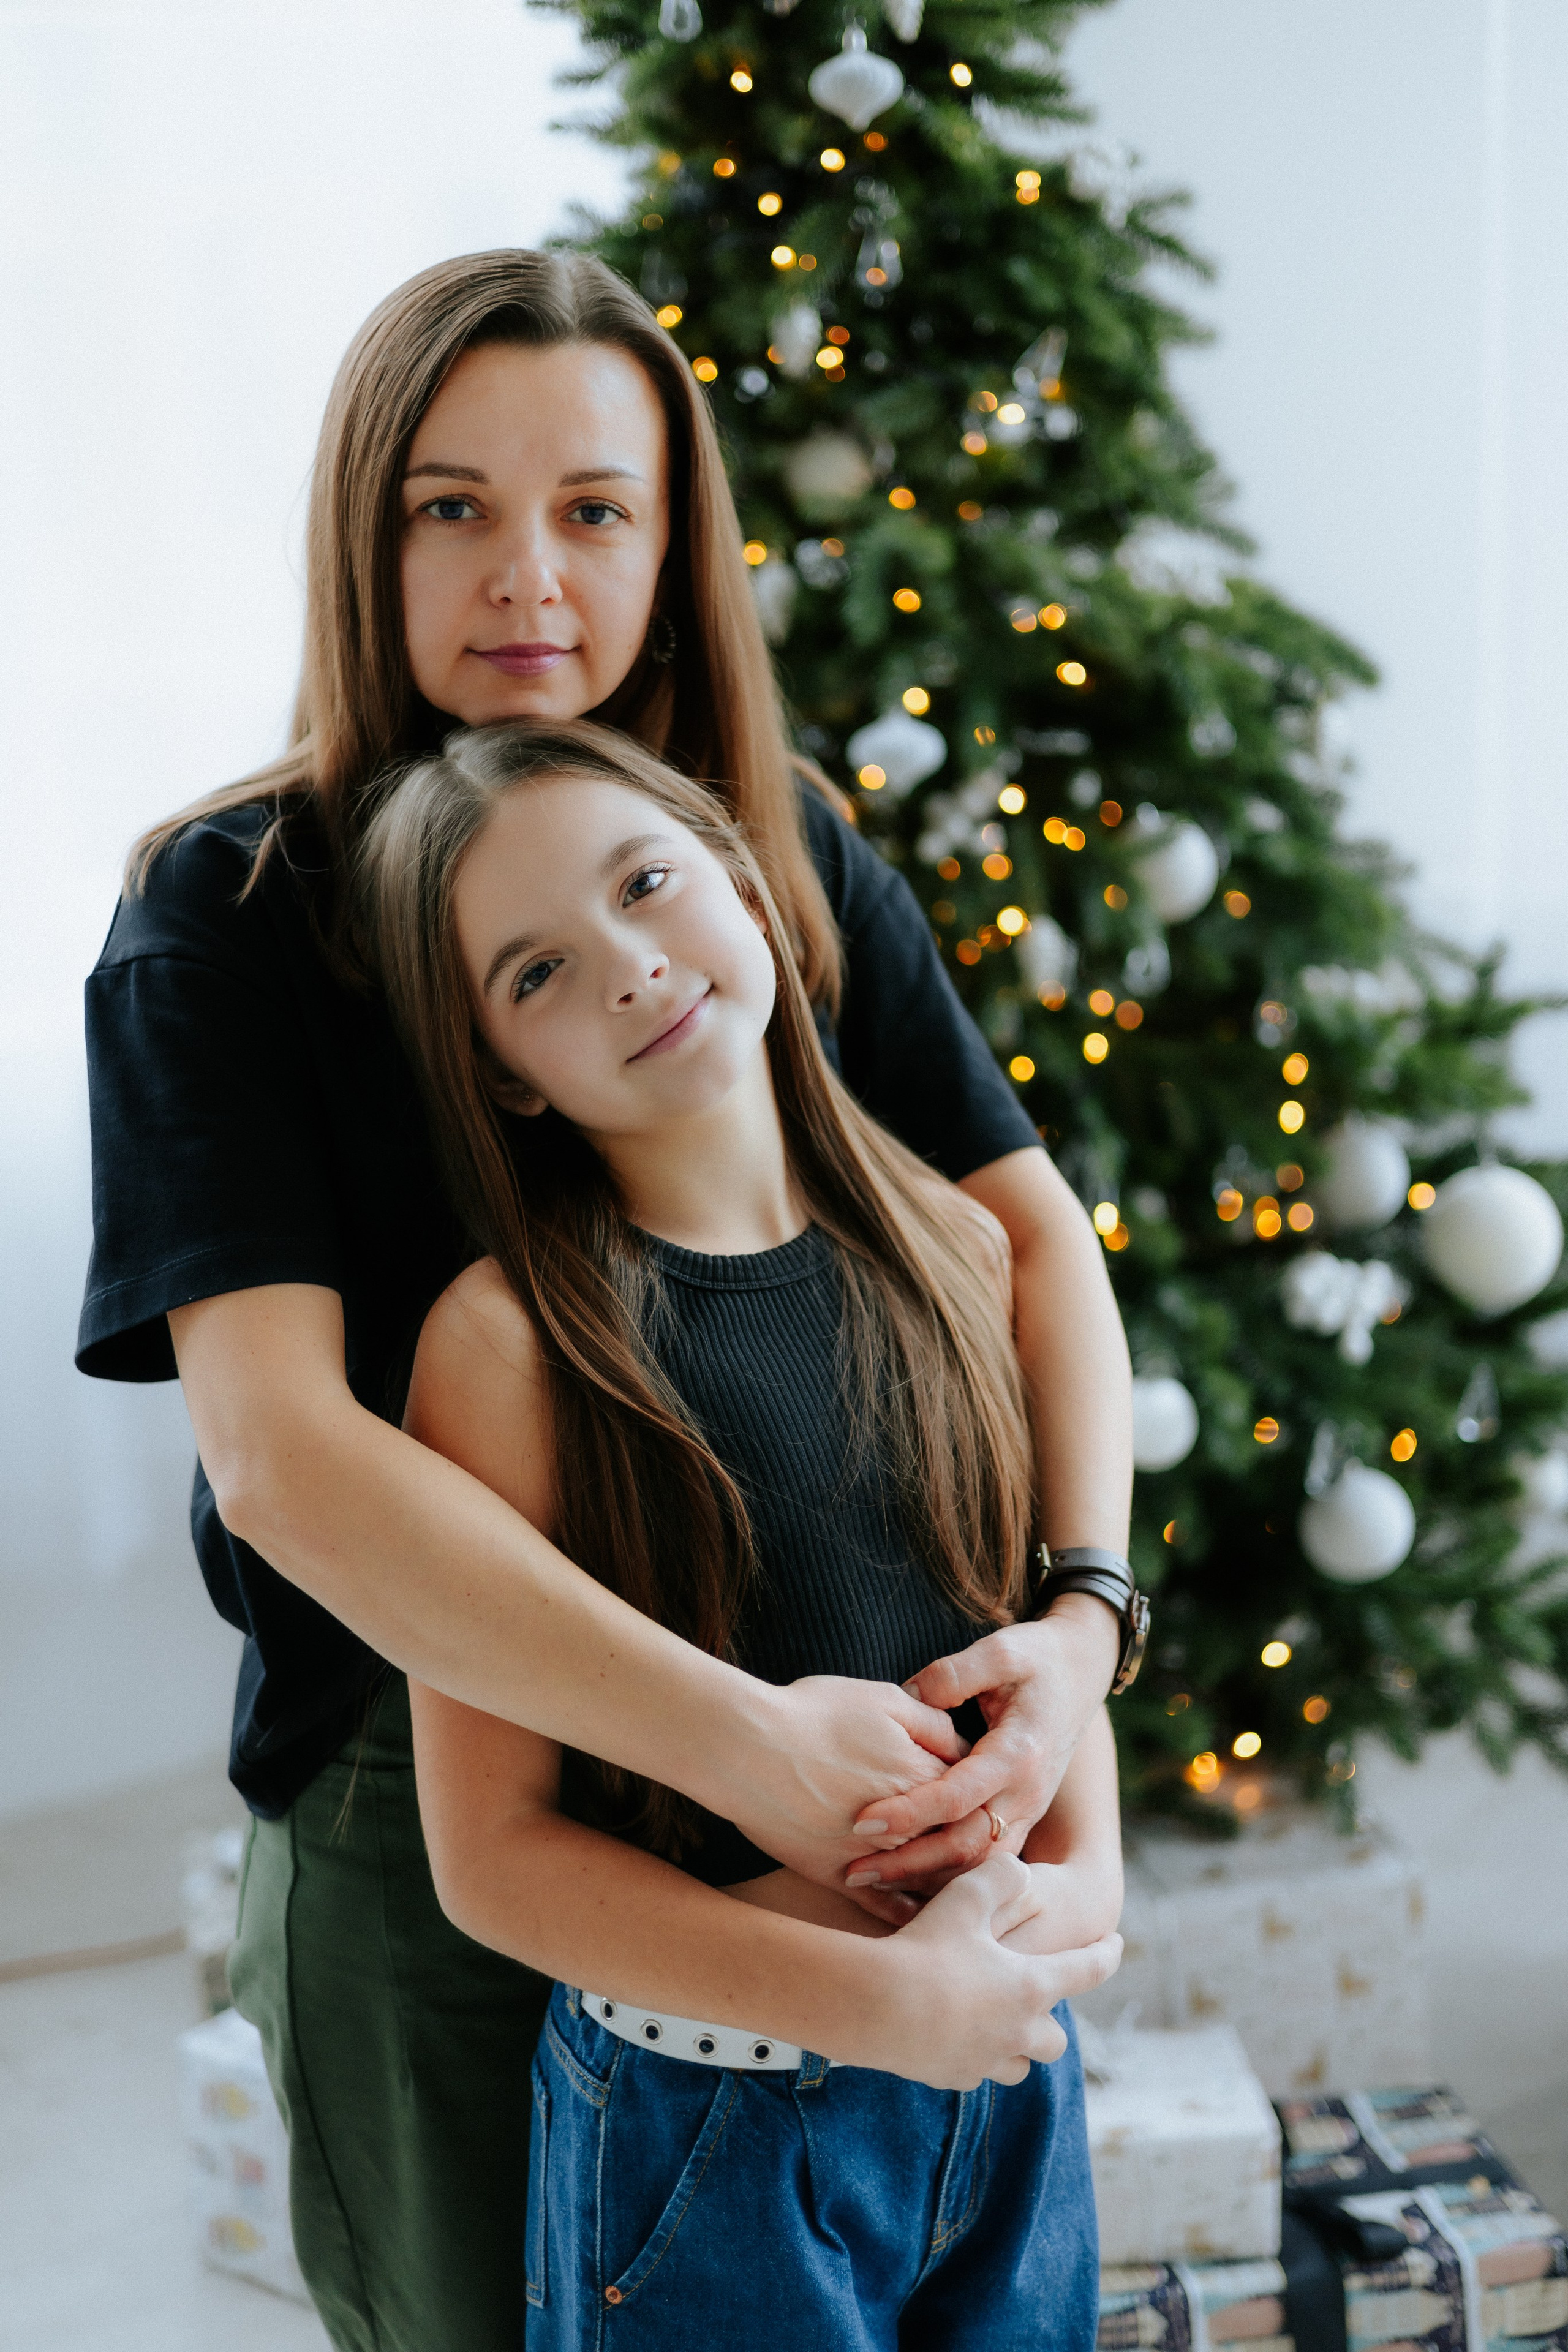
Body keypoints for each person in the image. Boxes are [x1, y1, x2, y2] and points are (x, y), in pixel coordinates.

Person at [77, 251, 1134, 2351]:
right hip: (438, 1788)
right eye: (448, 507)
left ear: (676, 538)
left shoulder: (769, 854)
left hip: (864, 1758)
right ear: (361, 534)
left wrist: (1082, 1626)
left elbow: (1033, 1244)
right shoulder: (226, 916)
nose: (524, 578)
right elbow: (287, 1460)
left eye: (595, 509)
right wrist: (741, 1748)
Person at [360, 715, 1125, 2346]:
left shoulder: (963, 1248)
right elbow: (492, 1860)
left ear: (755, 895)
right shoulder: (506, 1348)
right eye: (536, 973)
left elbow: (1032, 1639)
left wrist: (1083, 1876)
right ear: (502, 1067)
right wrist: (877, 1999)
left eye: (650, 884)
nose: (631, 967)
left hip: (1004, 2081)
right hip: (706, 2125)